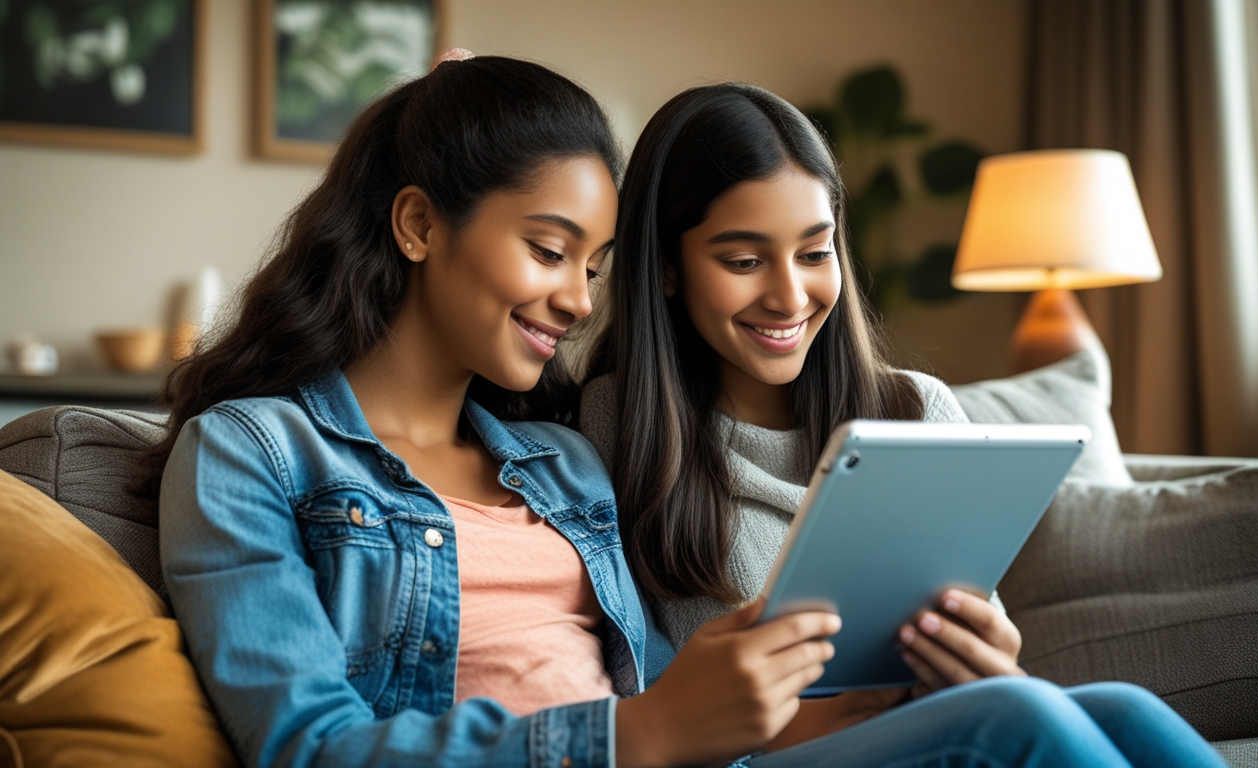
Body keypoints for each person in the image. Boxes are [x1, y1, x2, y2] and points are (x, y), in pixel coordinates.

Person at [149, 56, 846, 768]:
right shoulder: (247, 456)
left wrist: (864, 707)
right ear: (418, 223)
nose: (579, 300)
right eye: (550, 251)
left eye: (593, 268)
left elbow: (679, 711)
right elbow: (311, 749)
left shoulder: (565, 462)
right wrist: (632, 736)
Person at [581, 82, 1228, 766]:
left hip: (922, 729)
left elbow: (992, 651)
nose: (790, 296)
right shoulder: (614, 426)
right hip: (766, 757)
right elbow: (649, 691)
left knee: (1122, 706)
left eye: (814, 252)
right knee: (1015, 715)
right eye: (743, 261)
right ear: (667, 268)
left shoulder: (915, 410)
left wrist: (991, 656)